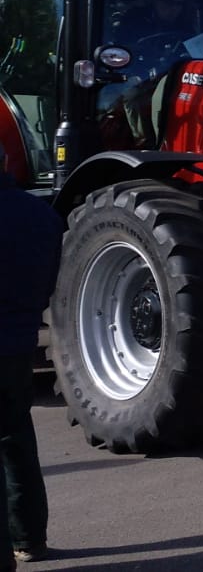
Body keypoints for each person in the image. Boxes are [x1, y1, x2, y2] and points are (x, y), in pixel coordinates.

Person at [0, 144, 62, 566]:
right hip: (18, 343)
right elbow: (48, 282)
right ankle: (29, 538)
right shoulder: (42, 216)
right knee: (15, 437)